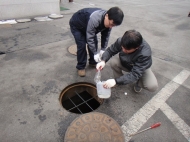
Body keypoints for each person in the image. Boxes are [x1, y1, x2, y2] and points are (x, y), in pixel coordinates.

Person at [69, 7, 124, 77]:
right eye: (111, 24)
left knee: (94, 43)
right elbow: (90, 37)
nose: (111, 27)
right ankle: (81, 67)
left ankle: (92, 61)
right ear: (106, 16)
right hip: (77, 26)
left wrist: (103, 49)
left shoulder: (109, 22)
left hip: (88, 25)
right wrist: (95, 53)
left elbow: (105, 36)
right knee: (82, 45)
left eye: (113, 26)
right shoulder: (95, 19)